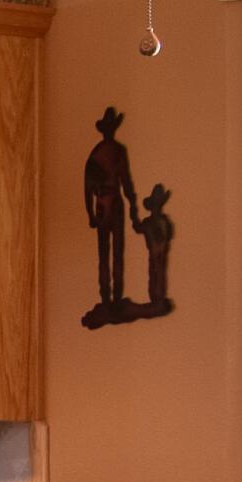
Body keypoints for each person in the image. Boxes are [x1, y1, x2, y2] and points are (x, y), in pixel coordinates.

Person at [83, 107, 139, 326]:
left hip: (108, 204)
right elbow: (123, 182)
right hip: (111, 204)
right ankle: (110, 298)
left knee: (110, 252)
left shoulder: (100, 153)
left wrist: (90, 211)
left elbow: (89, 188)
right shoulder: (112, 152)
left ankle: (111, 298)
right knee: (111, 252)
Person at [137, 182, 174, 317]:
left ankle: (158, 298)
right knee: (155, 273)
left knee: (158, 273)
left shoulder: (161, 221)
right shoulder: (153, 221)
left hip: (160, 251)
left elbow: (169, 234)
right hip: (155, 251)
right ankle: (156, 298)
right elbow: (139, 228)